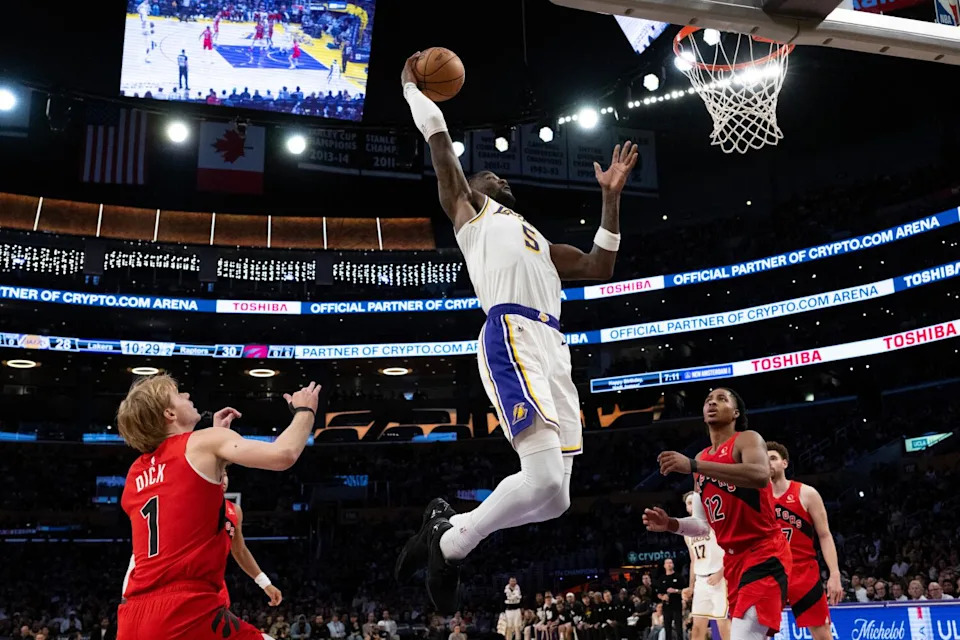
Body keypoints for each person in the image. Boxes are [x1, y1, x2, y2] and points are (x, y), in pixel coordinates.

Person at [394, 51, 638, 613]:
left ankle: (447, 533)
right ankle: (451, 544)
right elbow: (438, 144)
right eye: (487, 173)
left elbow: (600, 265)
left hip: (553, 348)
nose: (497, 175)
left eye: (498, 175)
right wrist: (412, 88)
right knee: (544, 474)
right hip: (512, 333)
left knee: (556, 498)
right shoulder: (469, 211)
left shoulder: (540, 241)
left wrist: (610, 201)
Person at [116, 374, 320, 640]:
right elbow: (284, 454)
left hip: (133, 618)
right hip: (184, 612)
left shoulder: (135, 474)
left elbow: (184, 489)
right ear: (169, 413)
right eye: (179, 394)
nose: (187, 396)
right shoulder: (203, 441)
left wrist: (218, 452)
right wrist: (305, 411)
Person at [643, 388, 792, 640]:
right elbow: (702, 525)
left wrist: (693, 465)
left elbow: (759, 475)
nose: (712, 402)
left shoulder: (746, 439)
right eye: (708, 400)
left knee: (743, 636)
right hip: (733, 562)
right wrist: (670, 524)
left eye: (722, 399)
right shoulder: (702, 457)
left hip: (763, 552)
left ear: (736, 413)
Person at [768, 442, 842, 639]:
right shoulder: (756, 497)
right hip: (769, 571)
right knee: (755, 632)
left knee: (822, 633)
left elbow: (825, 535)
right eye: (764, 459)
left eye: (773, 458)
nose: (768, 463)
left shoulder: (806, 493)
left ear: (785, 463)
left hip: (803, 571)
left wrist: (834, 573)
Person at [218, 468, 283, 609]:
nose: (224, 479)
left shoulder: (234, 510)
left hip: (216, 585)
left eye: (225, 474)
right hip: (184, 581)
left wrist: (265, 583)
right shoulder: (190, 504)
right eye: (218, 474)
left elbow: (240, 551)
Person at [680, 492, 730, 640]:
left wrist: (721, 573)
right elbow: (693, 560)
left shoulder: (715, 523)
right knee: (697, 628)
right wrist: (691, 586)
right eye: (689, 503)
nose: (692, 505)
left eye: (694, 502)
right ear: (688, 509)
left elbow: (731, 551)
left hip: (719, 579)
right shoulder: (687, 533)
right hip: (701, 581)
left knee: (723, 624)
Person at [655, 559, 683, 640]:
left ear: (673, 564)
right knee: (667, 628)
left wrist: (676, 591)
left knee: (678, 628)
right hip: (666, 607)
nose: (669, 564)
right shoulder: (662, 578)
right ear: (664, 566)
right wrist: (662, 597)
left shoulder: (679, 577)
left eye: (670, 563)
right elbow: (658, 593)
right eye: (667, 563)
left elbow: (684, 590)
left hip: (677, 606)